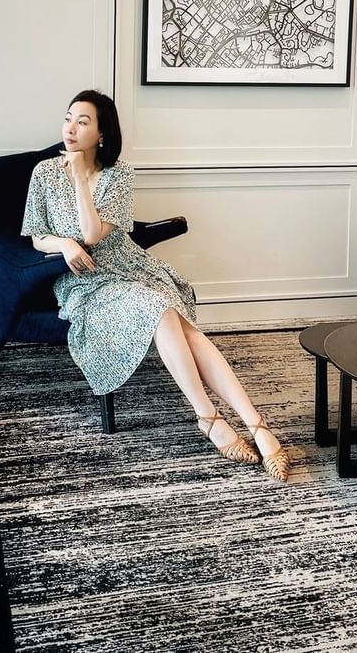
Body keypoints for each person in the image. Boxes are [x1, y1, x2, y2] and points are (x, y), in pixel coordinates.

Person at [21, 89, 291, 481]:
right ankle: (218, 419)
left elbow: (95, 234)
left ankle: (248, 423)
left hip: (131, 267)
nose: (71, 128)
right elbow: (36, 235)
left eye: (83, 121)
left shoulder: (119, 174)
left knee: (179, 323)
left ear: (101, 133)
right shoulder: (44, 173)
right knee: (164, 313)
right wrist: (62, 243)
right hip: (86, 281)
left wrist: (81, 179)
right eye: (68, 118)